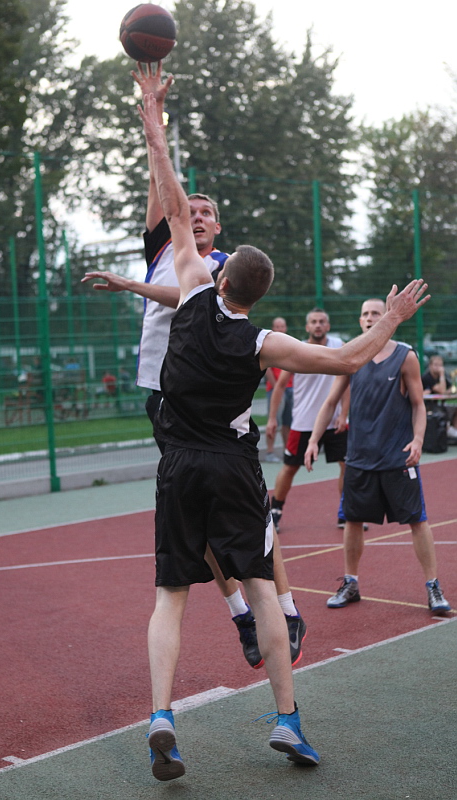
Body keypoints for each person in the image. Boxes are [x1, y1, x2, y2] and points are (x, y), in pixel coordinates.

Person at [136, 88, 429, 781]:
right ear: (256, 295)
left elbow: (172, 201)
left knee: (170, 595)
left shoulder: (189, 290)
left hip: (178, 462)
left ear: (219, 275)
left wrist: (154, 120)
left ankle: (161, 716)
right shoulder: (263, 342)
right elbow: (347, 359)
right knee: (263, 586)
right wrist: (390, 320)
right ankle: (286, 718)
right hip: (233, 468)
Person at [82, 62, 305, 670]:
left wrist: (129, 284)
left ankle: (285, 609)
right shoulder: (164, 246)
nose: (197, 216)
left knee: (250, 517)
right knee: (195, 521)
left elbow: (185, 297)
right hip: (163, 398)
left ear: (219, 227)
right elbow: (161, 184)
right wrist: (152, 115)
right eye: (193, 209)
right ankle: (242, 615)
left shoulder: (224, 269)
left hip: (215, 409)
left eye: (208, 212)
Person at [304, 298, 451, 615]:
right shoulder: (352, 356)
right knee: (353, 520)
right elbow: (330, 402)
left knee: (417, 520)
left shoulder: (405, 356)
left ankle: (433, 586)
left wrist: (418, 440)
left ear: (388, 318)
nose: (370, 318)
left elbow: (418, 405)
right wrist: (314, 439)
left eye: (376, 313)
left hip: (398, 458)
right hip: (359, 458)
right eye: (365, 314)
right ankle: (351, 583)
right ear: (360, 322)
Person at [265, 309, 349, 532]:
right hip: (303, 422)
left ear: (327, 326)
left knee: (347, 466)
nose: (318, 325)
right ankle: (275, 511)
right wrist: (272, 418)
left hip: (334, 422)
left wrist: (343, 414)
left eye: (322, 321)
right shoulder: (297, 350)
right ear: (307, 327)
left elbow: (346, 380)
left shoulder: (338, 346)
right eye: (313, 322)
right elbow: (280, 386)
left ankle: (346, 511)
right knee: (290, 467)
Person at [263, 317, 294, 462]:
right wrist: (276, 387)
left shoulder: (291, 344)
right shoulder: (270, 346)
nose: (280, 329)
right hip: (274, 389)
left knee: (288, 422)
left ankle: (288, 451)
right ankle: (270, 452)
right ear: (273, 328)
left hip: (290, 389)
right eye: (277, 326)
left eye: (282, 326)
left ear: (285, 328)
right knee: (274, 420)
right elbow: (267, 368)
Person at [422, 354, 457, 438]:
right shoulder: (427, 377)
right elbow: (442, 390)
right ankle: (449, 431)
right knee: (441, 413)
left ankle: (454, 430)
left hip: (440, 404)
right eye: (436, 365)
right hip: (428, 406)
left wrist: (447, 391)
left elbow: (451, 389)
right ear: (430, 366)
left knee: (455, 408)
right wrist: (442, 375)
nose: (439, 368)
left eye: (440, 365)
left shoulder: (443, 377)